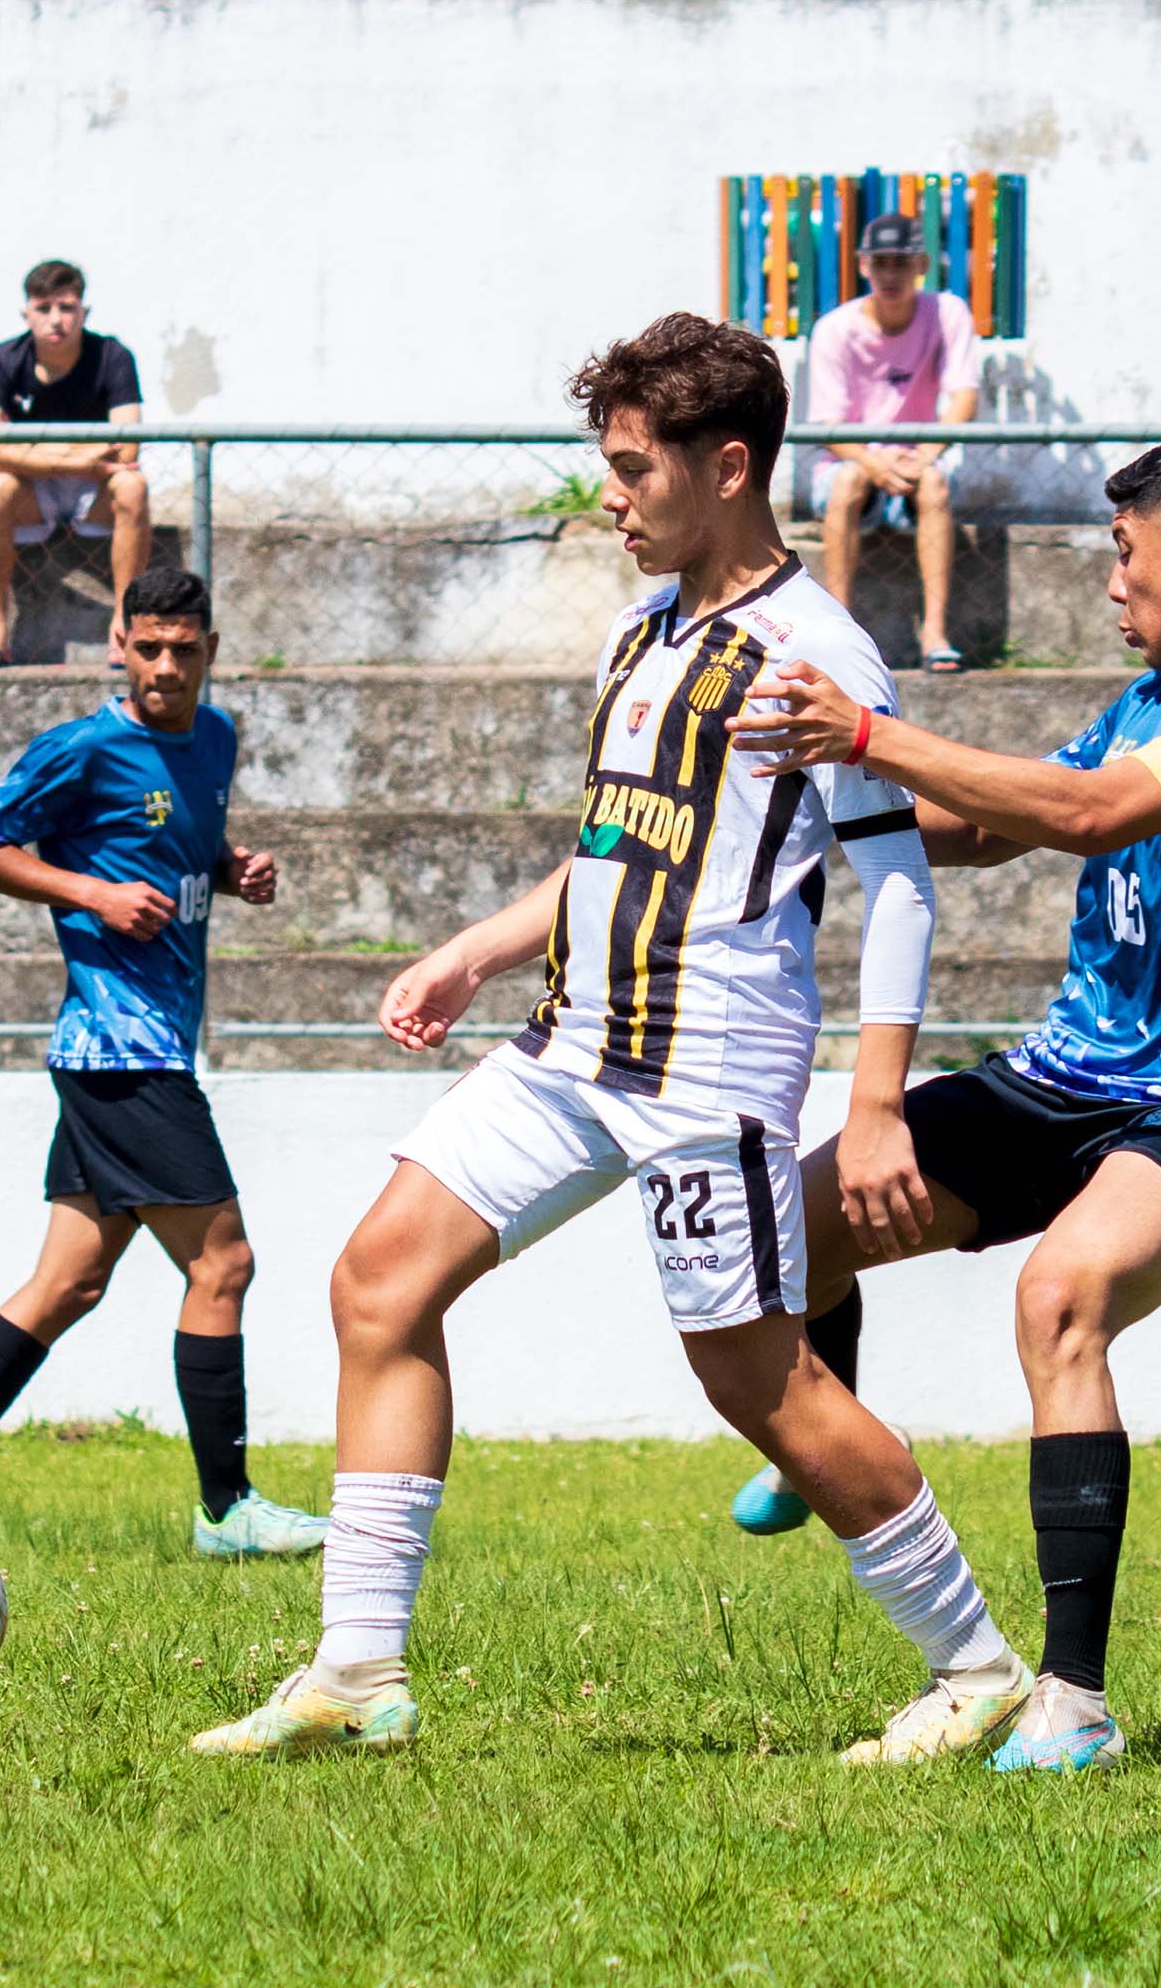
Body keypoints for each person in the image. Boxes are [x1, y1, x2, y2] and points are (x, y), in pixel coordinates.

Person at [188, 313, 1031, 1767]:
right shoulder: (638, 633)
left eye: (637, 469)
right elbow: (613, 849)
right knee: (379, 1282)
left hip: (711, 1064)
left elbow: (894, 885)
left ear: (729, 464)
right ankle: (357, 1670)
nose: (615, 497)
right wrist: (474, 948)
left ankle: (976, 1668)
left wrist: (878, 1101)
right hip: (574, 1042)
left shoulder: (812, 654)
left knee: (757, 1380)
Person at [723, 432, 1161, 1773]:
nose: (1111, 583)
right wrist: (814, 794)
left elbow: (1082, 815)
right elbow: (990, 822)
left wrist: (874, 731)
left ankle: (1073, 1700)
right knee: (799, 1220)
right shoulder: (1149, 697)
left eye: (1122, 553)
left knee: (1059, 1297)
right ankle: (816, 1438)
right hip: (1064, 1073)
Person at [0, 567, 328, 1560]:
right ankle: (227, 1507)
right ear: (119, 643)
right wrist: (92, 895)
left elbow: (173, 843)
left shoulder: (216, 738)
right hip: (124, 1049)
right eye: (146, 646)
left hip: (130, 1049)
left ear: (209, 647)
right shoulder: (80, 746)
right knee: (224, 1262)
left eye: (183, 648)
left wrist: (228, 868)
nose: (164, 666)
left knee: (69, 1281)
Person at [805, 212, 983, 671]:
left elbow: (965, 394)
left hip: (918, 460)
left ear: (920, 264)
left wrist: (925, 454)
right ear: (863, 265)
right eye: (880, 262)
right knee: (846, 483)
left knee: (936, 485)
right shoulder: (835, 329)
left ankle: (935, 633)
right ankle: (838, 628)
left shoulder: (947, 312)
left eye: (900, 263)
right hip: (852, 464)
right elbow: (827, 424)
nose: (890, 274)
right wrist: (873, 465)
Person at [0, 260, 149, 671]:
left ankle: (123, 625)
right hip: (38, 490)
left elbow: (127, 451)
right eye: (43, 308)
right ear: (26, 313)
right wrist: (83, 456)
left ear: (84, 313)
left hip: (94, 491)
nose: (56, 319)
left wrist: (26, 448)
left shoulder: (113, 357)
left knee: (133, 486)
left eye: (66, 307)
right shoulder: (2, 360)